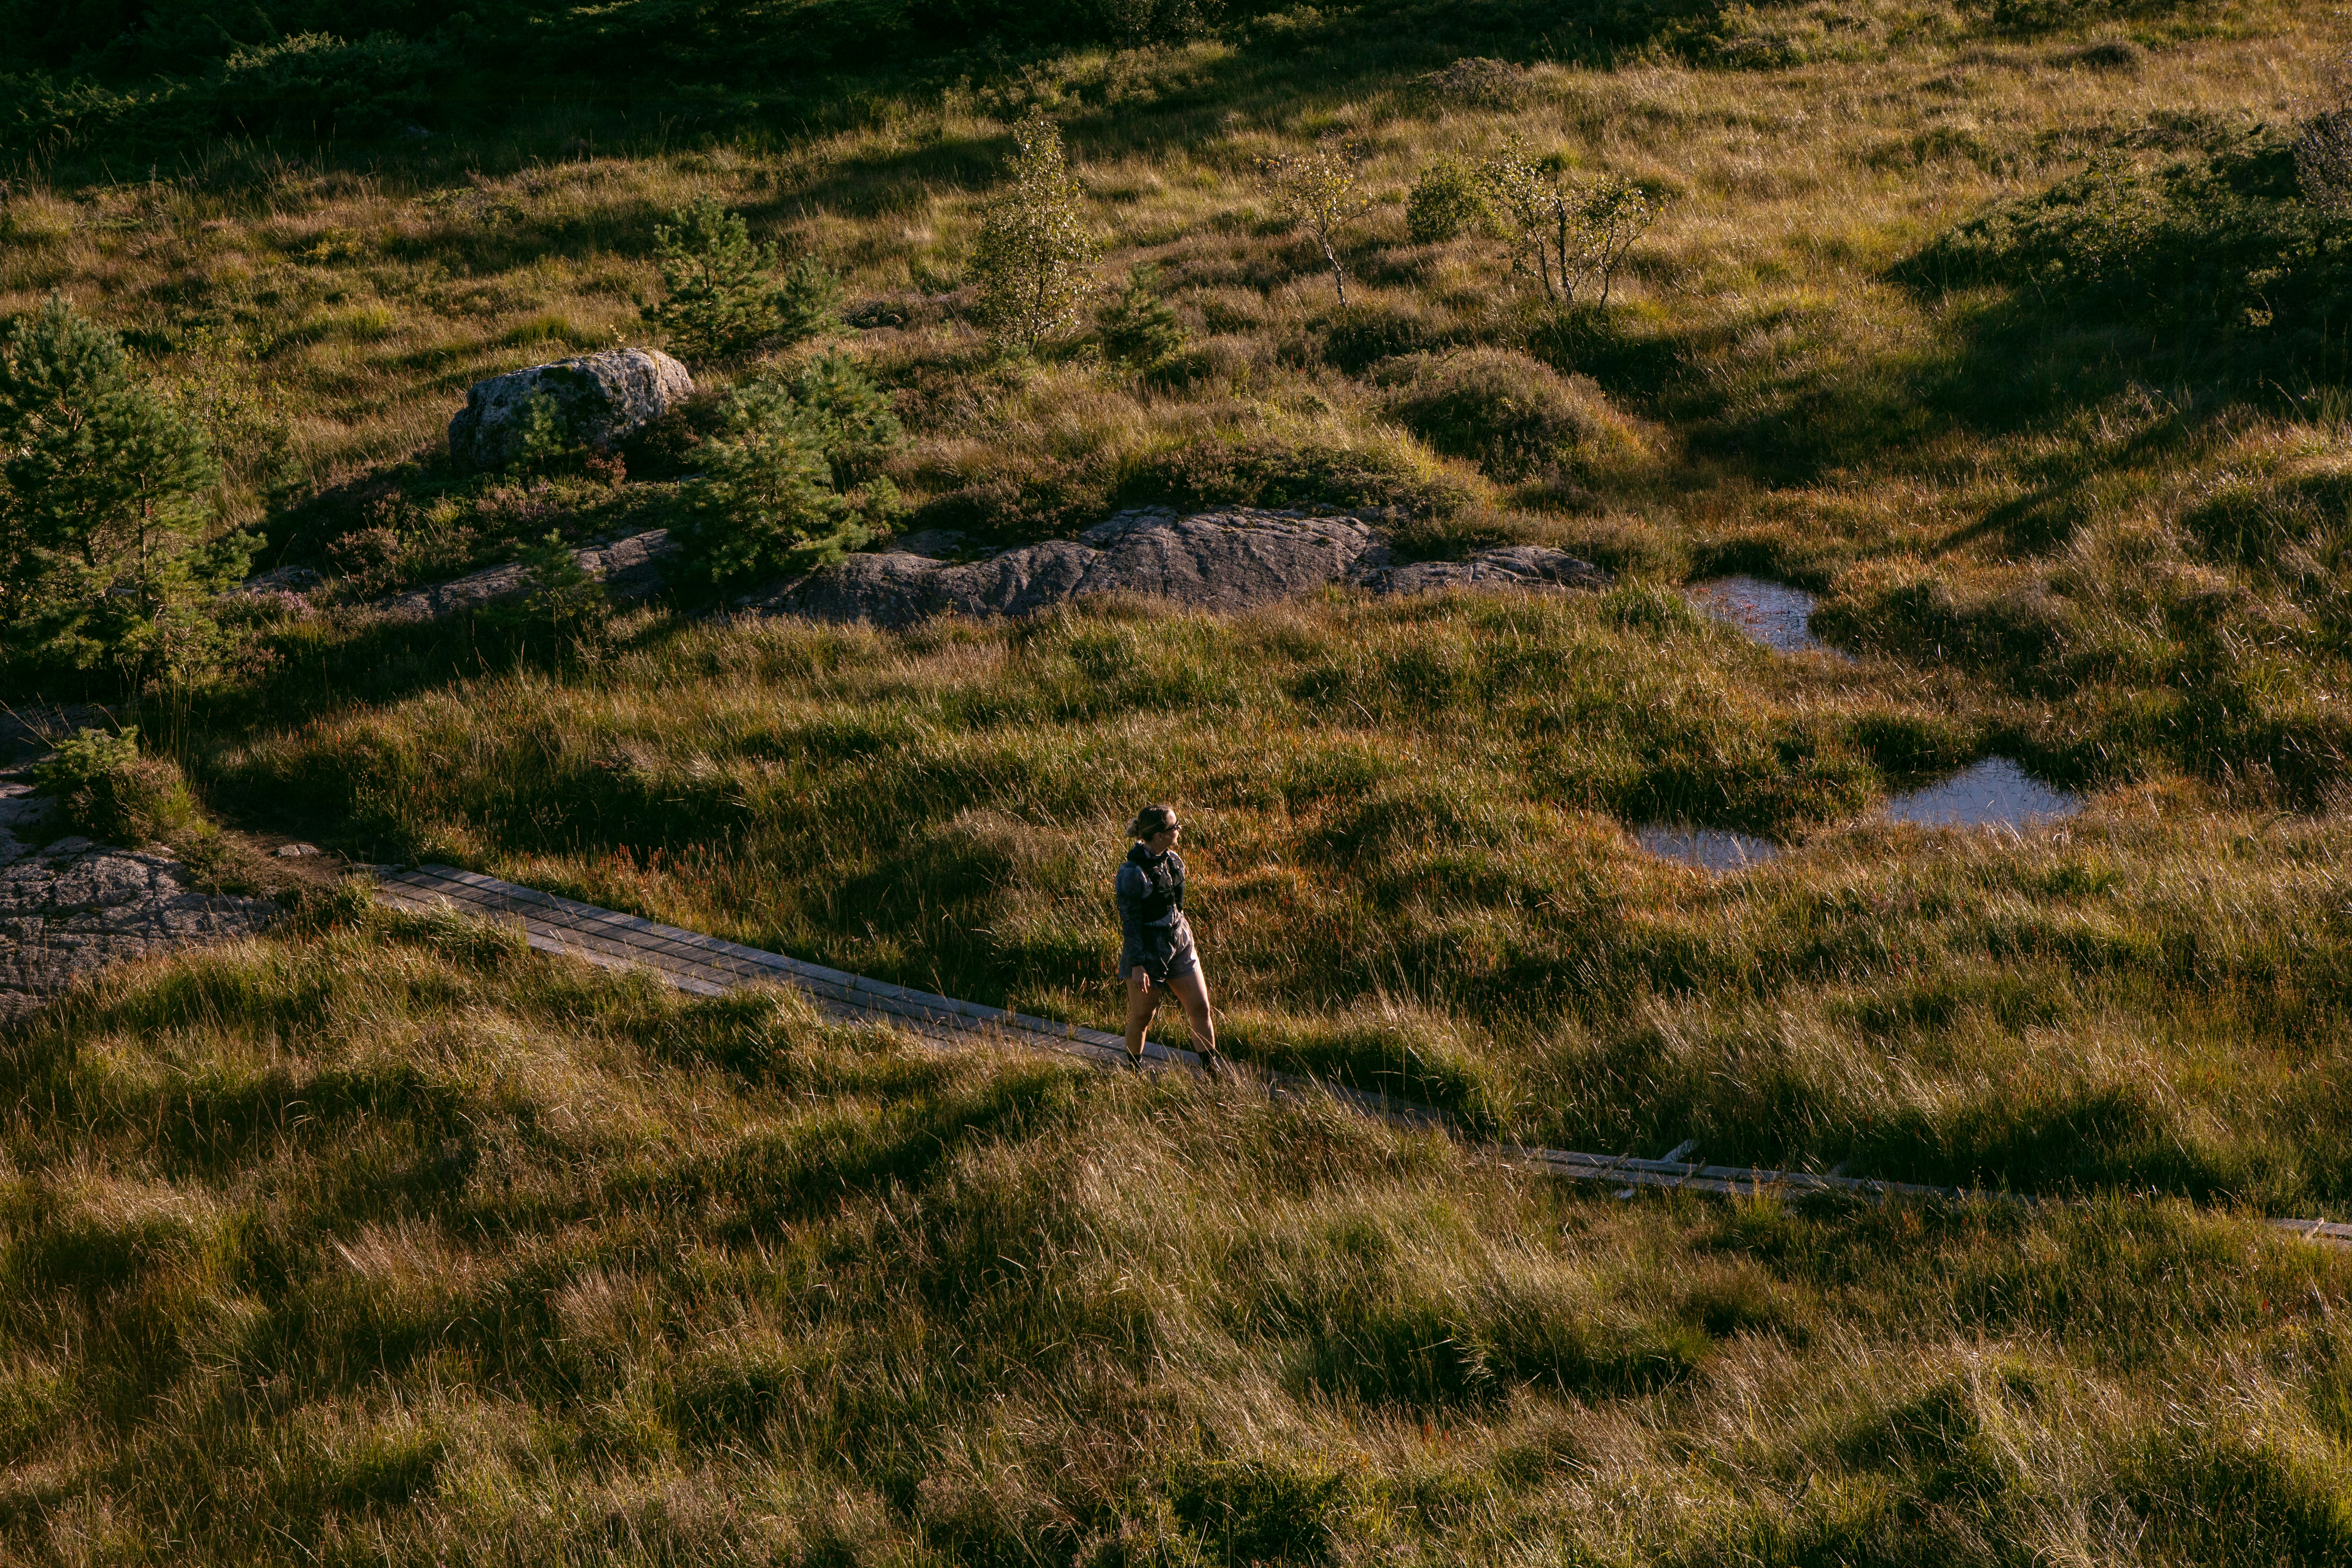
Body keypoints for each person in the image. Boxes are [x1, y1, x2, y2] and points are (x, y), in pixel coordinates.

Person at [1115, 803, 1224, 1073]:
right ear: (1159, 835)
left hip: (1180, 941)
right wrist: (1138, 964)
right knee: (1144, 1015)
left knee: (1200, 1007)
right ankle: (1134, 1071)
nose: (1179, 829)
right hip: (1149, 950)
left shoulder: (1174, 861)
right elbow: (1131, 923)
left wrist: (1182, 932)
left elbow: (1178, 905)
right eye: (1174, 826)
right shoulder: (1132, 873)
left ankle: (1211, 1069)